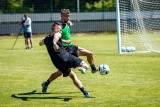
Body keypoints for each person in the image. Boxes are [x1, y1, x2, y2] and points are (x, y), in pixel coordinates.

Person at [41, 9, 99, 94]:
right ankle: (46, 84)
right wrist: (60, 41)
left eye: (69, 15)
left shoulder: (66, 22)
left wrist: (69, 22)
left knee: (89, 53)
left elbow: (67, 23)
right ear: (61, 16)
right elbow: (55, 36)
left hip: (71, 47)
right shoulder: (59, 26)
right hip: (64, 50)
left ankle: (93, 68)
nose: (68, 17)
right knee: (60, 72)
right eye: (66, 16)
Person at [39, 22, 91, 98]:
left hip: (57, 63)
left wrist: (60, 41)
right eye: (60, 30)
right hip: (65, 57)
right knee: (85, 64)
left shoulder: (46, 39)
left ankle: (85, 93)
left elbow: (40, 43)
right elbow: (56, 38)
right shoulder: (57, 34)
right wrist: (54, 43)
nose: (60, 32)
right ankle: (84, 68)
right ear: (55, 28)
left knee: (72, 76)